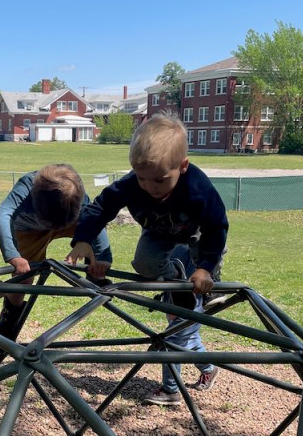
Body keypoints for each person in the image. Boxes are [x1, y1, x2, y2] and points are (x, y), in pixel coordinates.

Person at [68, 115, 228, 306]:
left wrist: (205, 268)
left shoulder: (197, 188)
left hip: (197, 230)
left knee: (205, 252)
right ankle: (174, 277)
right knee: (145, 266)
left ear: (182, 166)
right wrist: (83, 239)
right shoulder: (130, 184)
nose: (150, 187)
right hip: (157, 231)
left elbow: (216, 226)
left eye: (159, 180)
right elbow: (101, 207)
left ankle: (211, 282)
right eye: (141, 178)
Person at [0, 164, 112, 338]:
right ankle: (9, 319)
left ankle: (94, 273)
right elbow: (3, 215)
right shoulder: (27, 186)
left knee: (90, 229)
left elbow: (94, 218)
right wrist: (13, 255)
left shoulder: (75, 192)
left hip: (70, 223)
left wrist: (103, 257)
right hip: (29, 230)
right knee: (23, 276)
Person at [145, 246, 219, 405]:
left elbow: (193, 276)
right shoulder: (174, 243)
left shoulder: (193, 245)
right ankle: (208, 369)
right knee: (190, 339)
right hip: (177, 299)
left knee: (171, 342)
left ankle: (170, 391)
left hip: (190, 303)